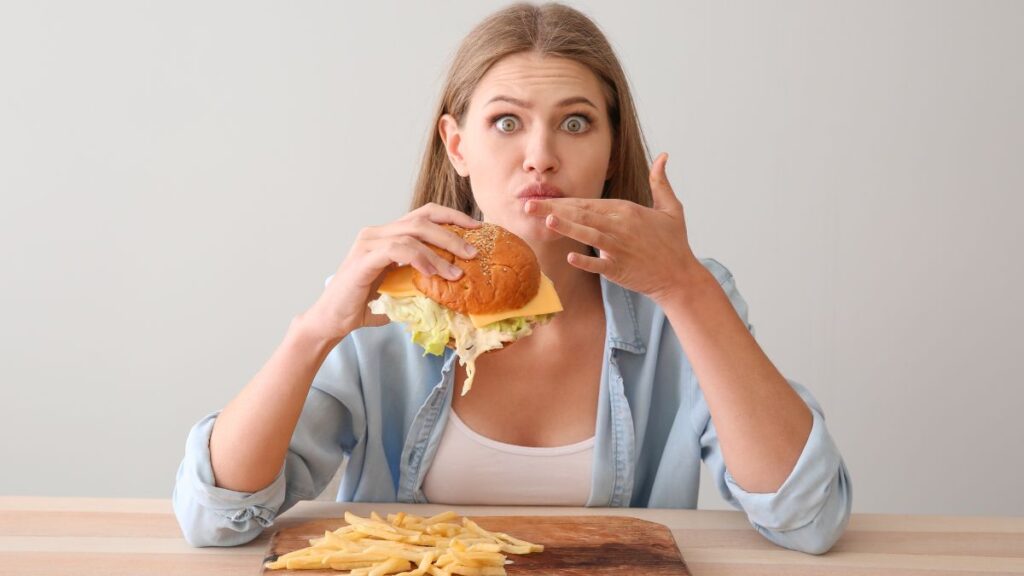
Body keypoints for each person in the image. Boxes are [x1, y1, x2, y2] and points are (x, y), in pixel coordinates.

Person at [173, 2, 851, 555]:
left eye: (576, 123)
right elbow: (216, 516)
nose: (540, 158)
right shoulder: (385, 299)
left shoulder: (683, 295)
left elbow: (807, 517)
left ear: (611, 149)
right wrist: (315, 330)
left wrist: (687, 289)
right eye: (506, 122)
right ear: (457, 144)